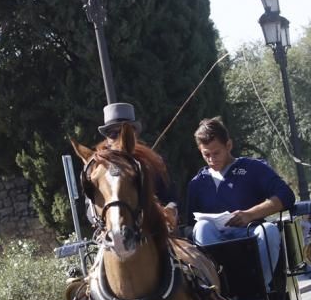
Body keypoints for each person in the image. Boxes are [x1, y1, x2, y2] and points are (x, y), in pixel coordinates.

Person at [186, 116, 297, 282]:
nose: (211, 159)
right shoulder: (197, 183)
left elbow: (286, 195)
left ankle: (261, 286)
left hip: (249, 234)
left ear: (228, 145)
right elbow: (188, 226)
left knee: (269, 231)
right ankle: (215, 290)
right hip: (214, 242)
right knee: (201, 227)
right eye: (206, 154)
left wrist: (250, 214)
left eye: (216, 153)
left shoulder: (252, 168)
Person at [95, 102, 178, 229]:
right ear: (107, 138)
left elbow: (172, 196)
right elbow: (90, 207)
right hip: (112, 233)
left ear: (134, 135)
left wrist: (171, 209)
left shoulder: (154, 163)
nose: (120, 139)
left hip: (154, 230)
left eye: (125, 133)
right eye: (113, 134)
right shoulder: (99, 168)